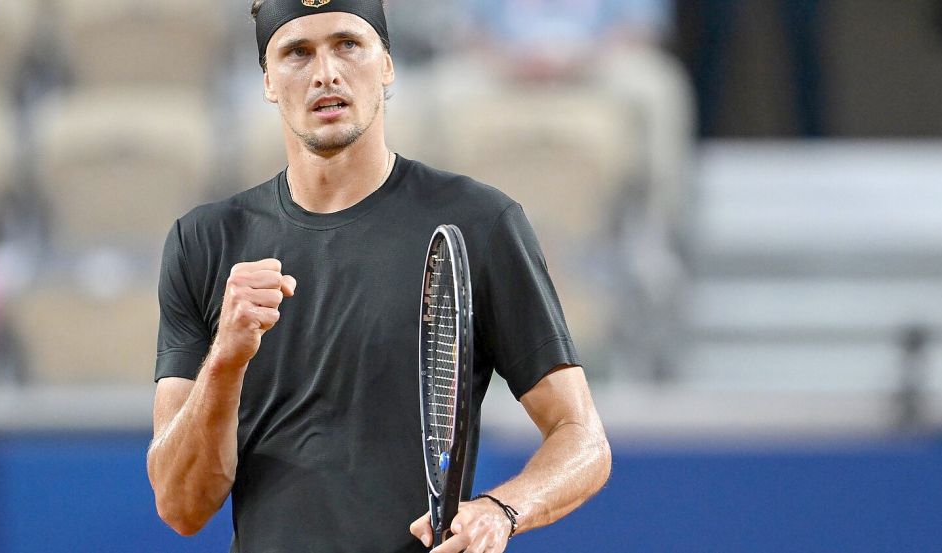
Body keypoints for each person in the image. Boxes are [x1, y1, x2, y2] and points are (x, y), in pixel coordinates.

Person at [146, 1, 611, 552]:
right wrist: (226, 356)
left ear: (387, 65)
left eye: (348, 44)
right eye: (297, 52)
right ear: (268, 81)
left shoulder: (479, 223)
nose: (325, 72)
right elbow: (180, 506)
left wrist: (501, 510)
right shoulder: (203, 242)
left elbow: (582, 439)